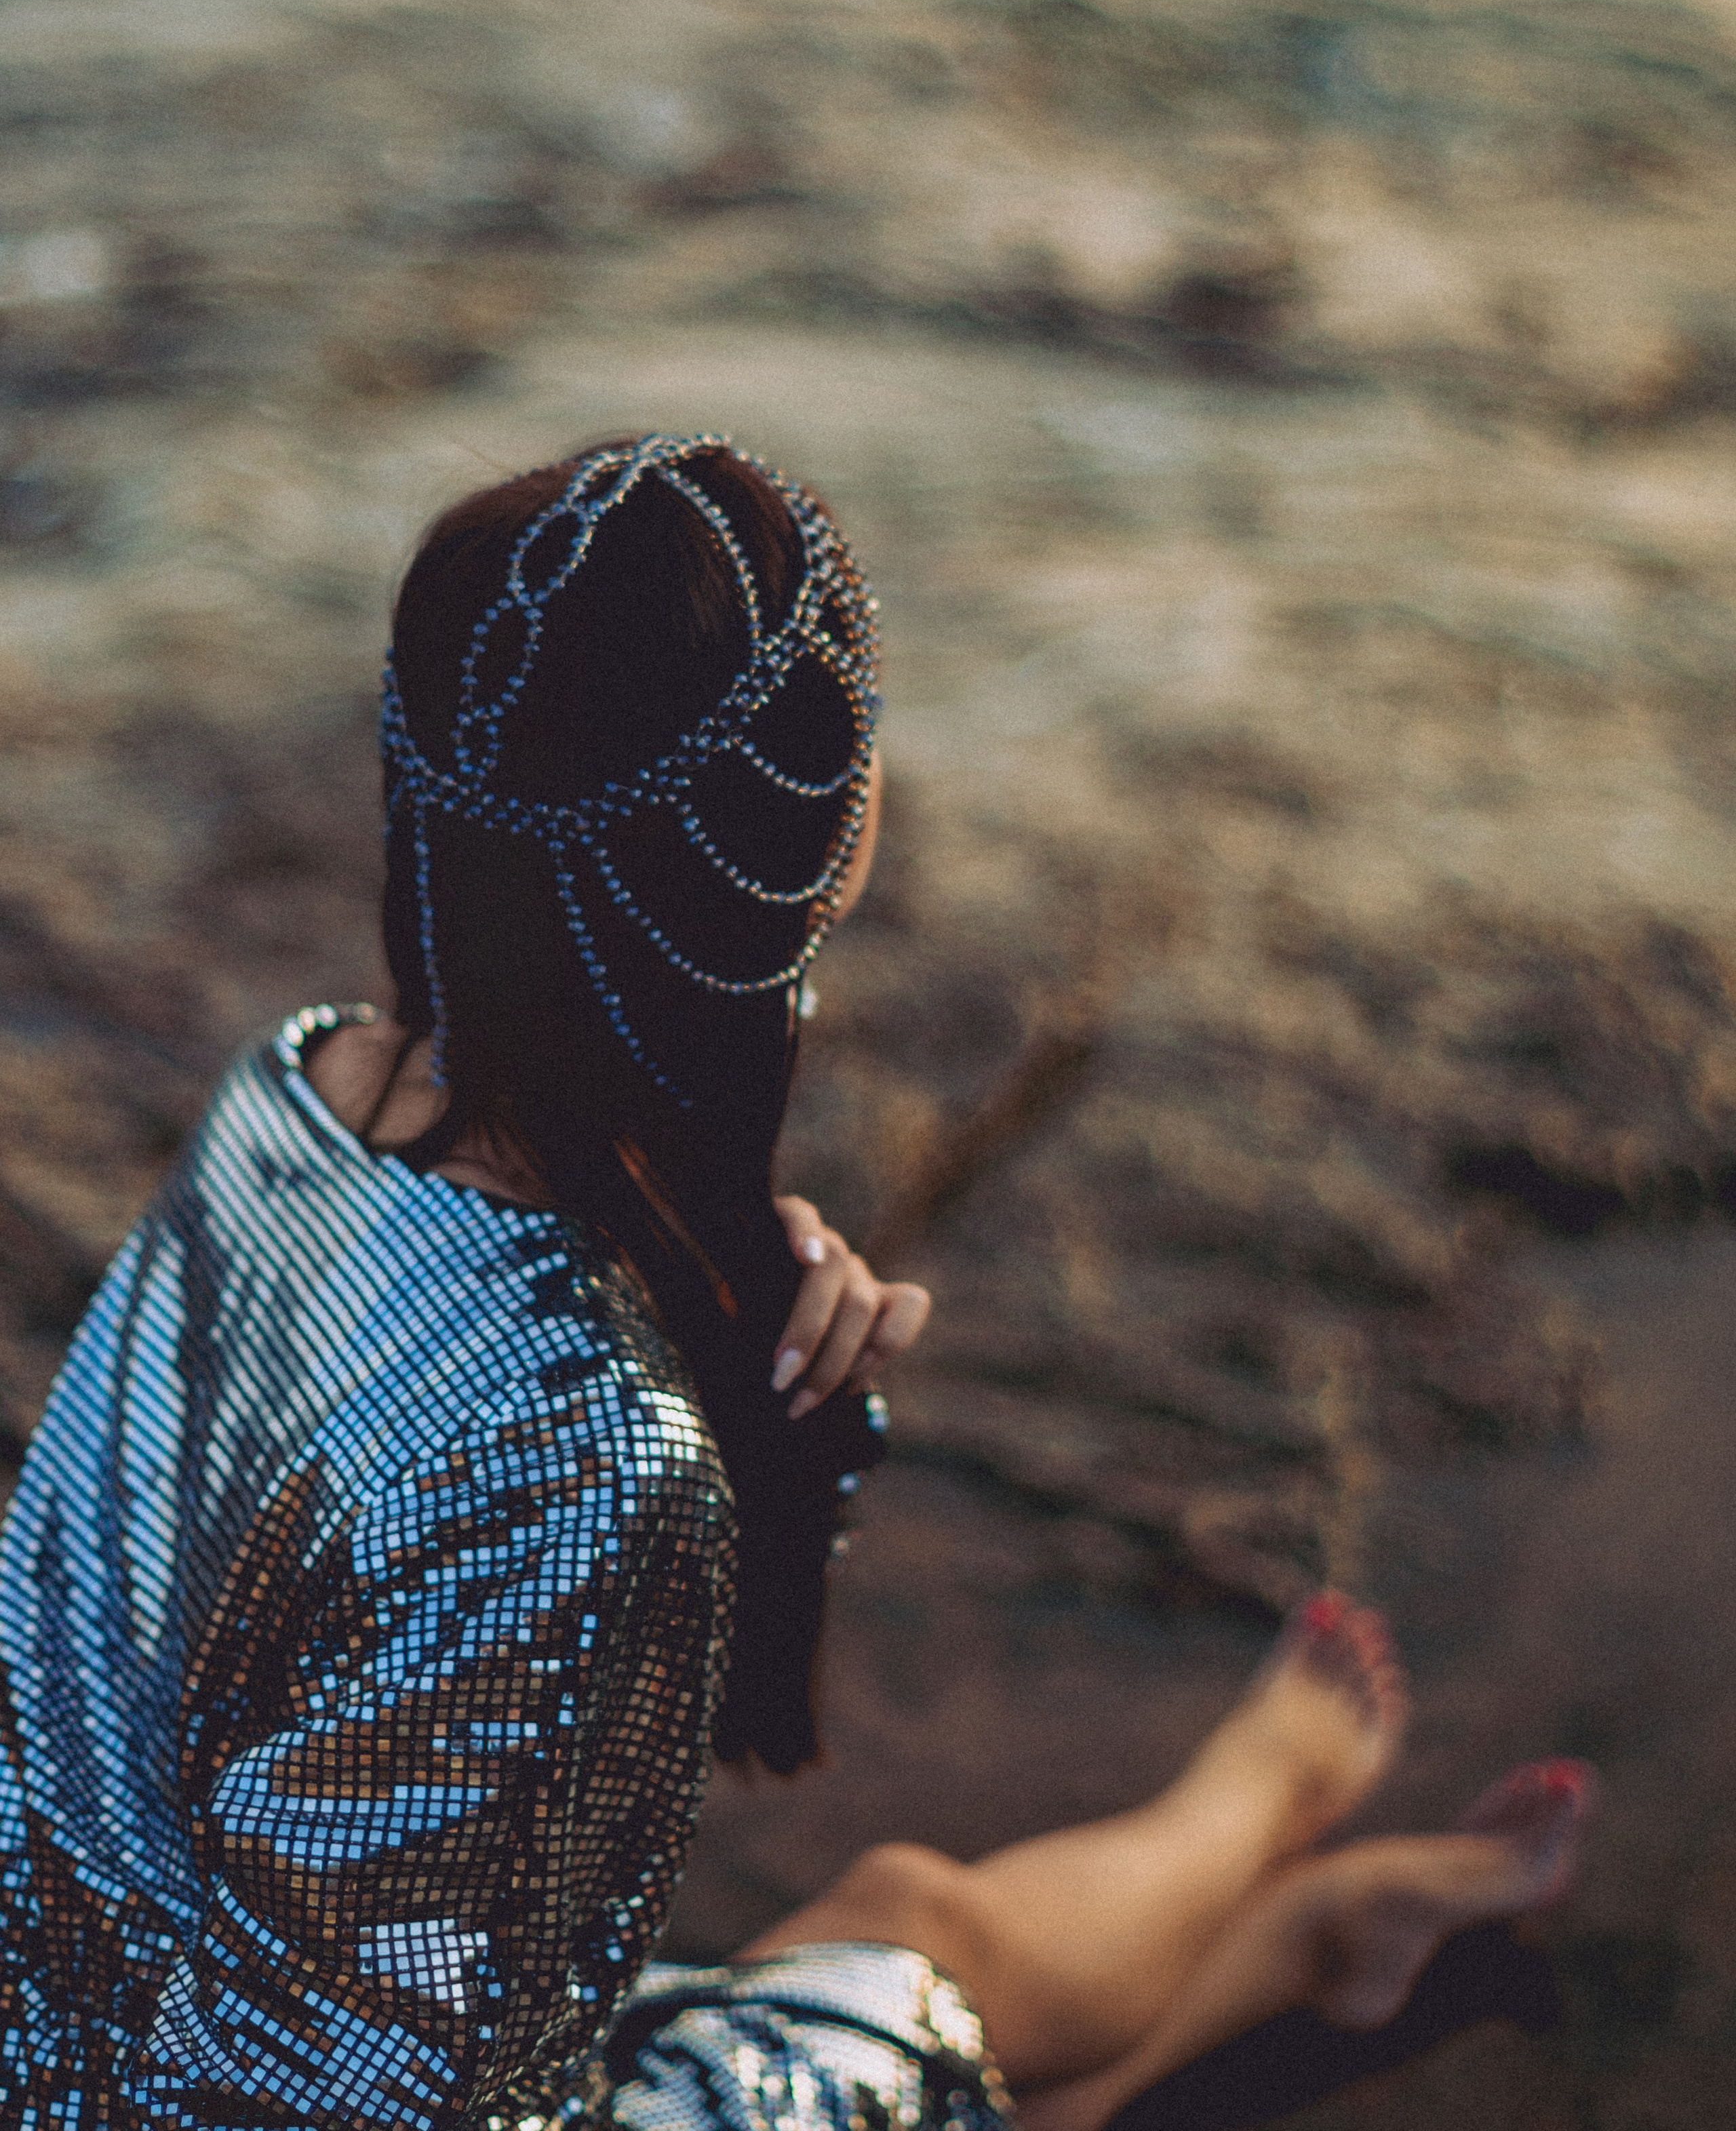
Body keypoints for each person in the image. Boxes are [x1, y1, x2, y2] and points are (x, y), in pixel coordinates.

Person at [0, 435, 1593, 2131]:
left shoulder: (291, 1091)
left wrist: (704, 1330)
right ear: (830, 846)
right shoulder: (602, 1460)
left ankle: (1294, 1925)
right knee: (911, 1945)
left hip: (56, 2027)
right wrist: (695, 1412)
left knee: (897, 1970)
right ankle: (1280, 1892)